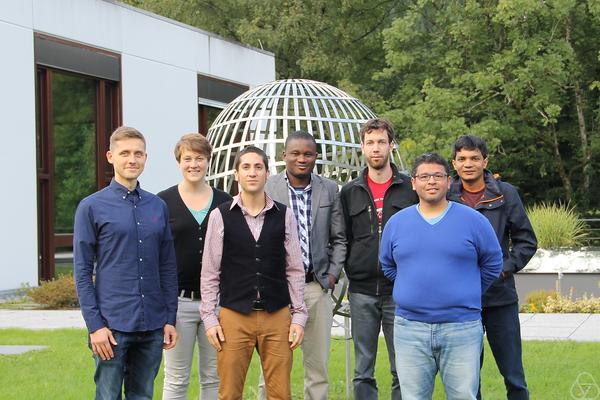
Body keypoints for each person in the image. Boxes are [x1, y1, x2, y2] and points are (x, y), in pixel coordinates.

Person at [380, 152, 503, 400]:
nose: (432, 181)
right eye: (424, 176)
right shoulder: (397, 223)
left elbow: (492, 263)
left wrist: (465, 289)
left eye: (438, 175)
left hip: (461, 328)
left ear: (449, 181)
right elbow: (388, 265)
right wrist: (414, 288)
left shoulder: (473, 220)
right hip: (410, 329)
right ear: (413, 183)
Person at [74, 126, 178, 399]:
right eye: (125, 153)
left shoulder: (157, 206)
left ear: (145, 158)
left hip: (153, 324)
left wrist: (169, 319)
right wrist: (95, 326)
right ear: (111, 156)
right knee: (108, 396)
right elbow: (82, 272)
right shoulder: (91, 206)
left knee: (143, 396)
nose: (132, 159)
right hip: (111, 326)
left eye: (138, 154)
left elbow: (167, 266)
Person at [200, 145, 308, 400]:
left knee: (281, 394)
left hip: (277, 314)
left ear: (267, 173)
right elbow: (210, 272)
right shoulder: (220, 215)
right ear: (236, 174)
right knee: (229, 394)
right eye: (245, 167)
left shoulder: (285, 215)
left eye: (258, 167)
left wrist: (299, 316)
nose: (252, 173)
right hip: (234, 315)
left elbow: (294, 268)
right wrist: (210, 318)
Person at [332, 118, 417, 400]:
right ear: (362, 147)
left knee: (402, 367)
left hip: (400, 291)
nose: (376, 148)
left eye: (382, 142)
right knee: (363, 369)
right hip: (362, 292)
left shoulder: (409, 188)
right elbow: (342, 236)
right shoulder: (350, 191)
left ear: (391, 145)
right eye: (370, 143)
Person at [448, 135, 537, 400]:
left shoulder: (505, 193)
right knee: (467, 378)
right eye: (462, 159)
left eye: (475, 158)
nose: (468, 164)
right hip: (461, 301)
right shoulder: (445, 195)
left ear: (485, 161)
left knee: (513, 375)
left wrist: (504, 268)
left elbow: (526, 241)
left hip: (500, 297)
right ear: (454, 163)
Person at [258, 130, 344, 400]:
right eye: (295, 153)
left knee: (317, 369)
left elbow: (340, 238)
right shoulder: (268, 187)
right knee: (271, 369)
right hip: (277, 291)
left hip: (315, 286)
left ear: (316, 156)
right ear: (284, 156)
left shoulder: (328, 189)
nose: (301, 159)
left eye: (308, 153)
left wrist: (331, 276)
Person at [158, 134, 231, 399]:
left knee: (214, 376)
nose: (193, 164)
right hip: (178, 304)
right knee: (176, 378)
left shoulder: (225, 202)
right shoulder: (162, 202)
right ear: (179, 162)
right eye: (187, 158)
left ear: (208, 162)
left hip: (218, 304)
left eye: (199, 158)